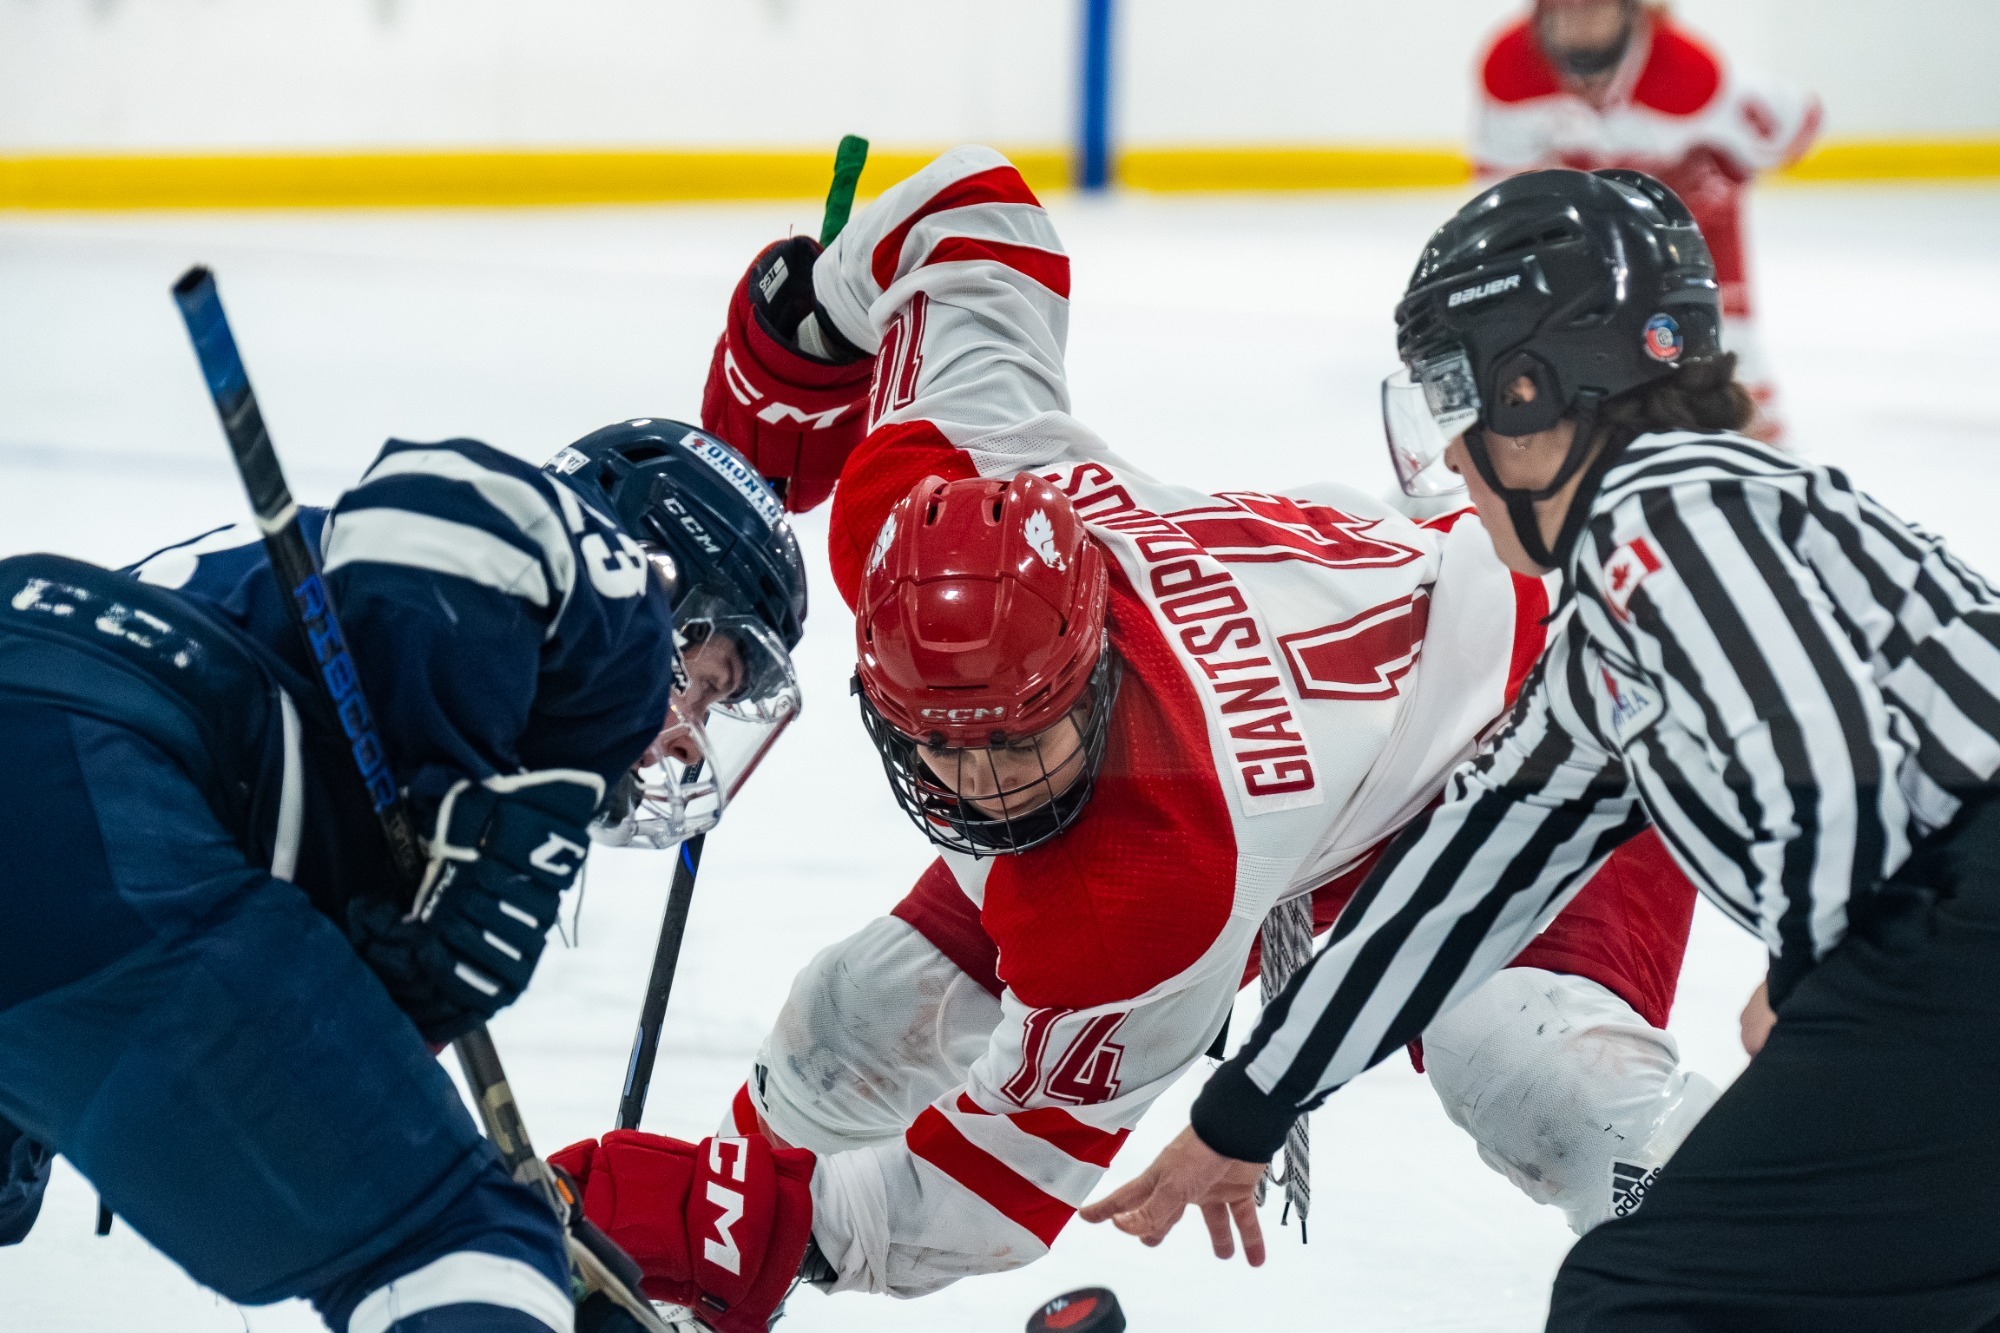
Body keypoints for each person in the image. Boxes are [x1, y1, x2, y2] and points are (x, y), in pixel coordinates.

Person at [547, 146, 1719, 1329]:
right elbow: (972, 207)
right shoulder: (922, 493)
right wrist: (819, 312)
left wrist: (766, 1230)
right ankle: (695, 1295)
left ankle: (1765, 1238)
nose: (980, 786)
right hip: (1329, 709)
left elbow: (979, 1198)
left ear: (1088, 665)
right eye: (937, 747)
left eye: (1012, 742)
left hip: (1552, 705)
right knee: (852, 1015)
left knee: (1529, 1075)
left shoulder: (1150, 881)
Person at [1088, 164, 2000, 1329]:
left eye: (1450, 396)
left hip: (1943, 933)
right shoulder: (1611, 634)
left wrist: (1813, 962)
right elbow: (1459, 885)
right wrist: (1246, 1111)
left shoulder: (1672, 505)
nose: (1451, 460)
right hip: (1936, 941)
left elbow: (1812, 736)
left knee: (1646, 1297)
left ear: (1529, 389)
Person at [0, 419, 804, 1332]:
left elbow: (342, 1095)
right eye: (699, 675)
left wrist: (562, 1269)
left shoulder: (415, 686)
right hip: (92, 780)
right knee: (455, 1251)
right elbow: (451, 498)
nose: (682, 730)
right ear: (650, 570)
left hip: (65, 796)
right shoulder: (580, 587)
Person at [1474, 0, 1819, 440]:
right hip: (1596, 233)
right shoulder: (1509, 65)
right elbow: (1502, 185)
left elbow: (1796, 124)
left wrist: (1716, 178)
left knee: (1728, 367)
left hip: (1693, 228)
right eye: (1563, 8)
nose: (1576, 21)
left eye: (1592, 8)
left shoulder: (1689, 72)